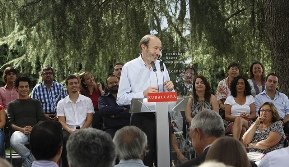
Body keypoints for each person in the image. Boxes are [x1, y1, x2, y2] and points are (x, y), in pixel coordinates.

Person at [117, 34, 174, 166]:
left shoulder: (161, 66)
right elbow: (121, 99)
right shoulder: (129, 67)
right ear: (143, 47)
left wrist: (170, 89)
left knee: (164, 158)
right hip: (141, 118)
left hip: (163, 117)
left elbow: (168, 94)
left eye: (160, 49)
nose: (158, 53)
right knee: (144, 158)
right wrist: (142, 93)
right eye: (155, 48)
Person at [7, 76, 47, 167]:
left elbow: (41, 119)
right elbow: (10, 123)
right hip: (19, 133)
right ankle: (33, 161)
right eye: (21, 87)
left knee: (47, 140)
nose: (24, 89)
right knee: (14, 141)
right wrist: (22, 129)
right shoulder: (11, 105)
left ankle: (28, 163)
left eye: (26, 86)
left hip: (36, 132)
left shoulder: (36, 103)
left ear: (29, 88)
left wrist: (34, 128)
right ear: (17, 88)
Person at [57, 75, 94, 167]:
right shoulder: (61, 103)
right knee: (64, 139)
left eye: (76, 83)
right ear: (67, 86)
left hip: (85, 129)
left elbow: (89, 119)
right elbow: (61, 121)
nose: (74, 85)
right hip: (68, 130)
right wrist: (71, 131)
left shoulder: (87, 100)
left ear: (79, 85)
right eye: (71, 83)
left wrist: (81, 130)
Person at [224, 76, 256, 140]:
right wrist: (238, 118)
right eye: (237, 84)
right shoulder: (230, 98)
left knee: (239, 120)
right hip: (233, 123)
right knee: (242, 129)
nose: (240, 85)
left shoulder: (250, 98)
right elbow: (227, 116)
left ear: (245, 86)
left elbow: (254, 114)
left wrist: (247, 116)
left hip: (248, 122)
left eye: (242, 83)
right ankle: (240, 146)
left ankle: (234, 143)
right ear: (234, 86)